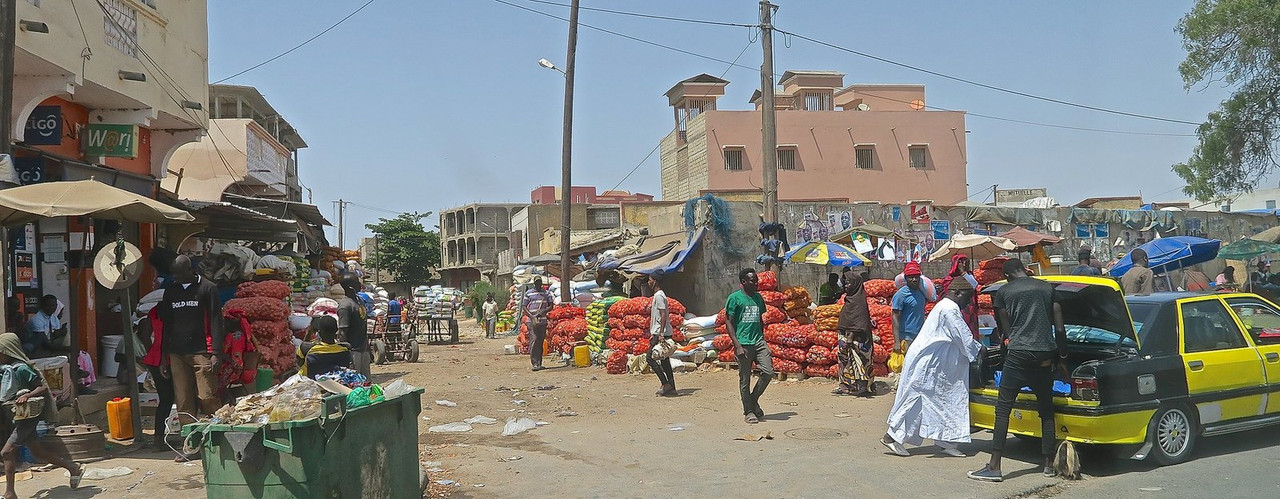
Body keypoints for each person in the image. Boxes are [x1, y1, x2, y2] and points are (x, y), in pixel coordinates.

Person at [969, 259, 1067, 483]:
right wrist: (1062, 359)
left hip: (1019, 354)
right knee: (1046, 409)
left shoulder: (1004, 292)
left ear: (1007, 275)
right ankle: (1048, 464)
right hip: (1045, 355)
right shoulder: (1047, 288)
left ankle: (994, 467)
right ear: (1024, 270)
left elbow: (1006, 331)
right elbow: (1060, 329)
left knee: (1003, 409)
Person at [882, 277, 983, 458]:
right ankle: (892, 436)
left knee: (944, 401)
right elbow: (962, 336)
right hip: (928, 363)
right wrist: (979, 349)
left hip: (939, 364)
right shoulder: (949, 309)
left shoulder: (945, 307)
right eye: (967, 298)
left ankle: (948, 441)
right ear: (957, 293)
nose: (967, 303)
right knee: (916, 400)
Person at [0, 333, 83, 496]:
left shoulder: (21, 368)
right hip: (18, 415)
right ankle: (73, 467)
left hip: (28, 415)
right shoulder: (5, 371)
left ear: (8, 351)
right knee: (37, 451)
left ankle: (10, 493)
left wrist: (27, 395)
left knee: (6, 452)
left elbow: (43, 387)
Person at [158, 255, 225, 427]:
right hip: (177, 353)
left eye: (179, 274)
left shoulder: (208, 288)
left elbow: (216, 320)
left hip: (202, 352)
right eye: (174, 274)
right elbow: (167, 323)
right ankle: (189, 443)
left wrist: (216, 353)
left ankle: (216, 433)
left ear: (190, 270)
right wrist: (164, 354)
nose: (175, 278)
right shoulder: (171, 291)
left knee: (207, 396)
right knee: (183, 400)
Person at [727, 269, 773, 424]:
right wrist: (737, 345)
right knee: (745, 379)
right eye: (752, 281)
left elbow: (759, 319)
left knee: (768, 371)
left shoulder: (758, 298)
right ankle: (749, 411)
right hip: (743, 343)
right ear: (743, 282)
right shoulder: (734, 298)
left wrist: (763, 339)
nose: (756, 283)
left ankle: (753, 400)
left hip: (758, 341)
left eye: (756, 280)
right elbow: (729, 322)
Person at [834, 269, 874, 396]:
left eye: (848, 283)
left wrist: (850, 337)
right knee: (846, 362)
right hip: (846, 337)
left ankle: (862, 387)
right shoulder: (849, 298)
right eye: (845, 283)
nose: (846, 286)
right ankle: (846, 385)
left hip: (857, 339)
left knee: (859, 362)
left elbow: (858, 321)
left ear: (856, 284)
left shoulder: (858, 300)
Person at [646, 271, 676, 397]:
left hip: (660, 333)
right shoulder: (659, 295)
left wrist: (661, 333)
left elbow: (663, 314)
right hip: (659, 332)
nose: (648, 282)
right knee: (664, 360)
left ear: (655, 282)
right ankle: (672, 387)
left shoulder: (659, 296)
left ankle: (665, 384)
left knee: (650, 358)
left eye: (650, 279)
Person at [939, 255, 980, 340]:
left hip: (970, 312)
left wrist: (964, 273)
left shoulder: (969, 276)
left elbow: (974, 285)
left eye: (966, 261)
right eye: (961, 262)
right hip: (958, 311)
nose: (965, 264)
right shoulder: (949, 279)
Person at [337, 275, 370, 377]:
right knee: (356, 383)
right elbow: (342, 332)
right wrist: (346, 354)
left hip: (363, 349)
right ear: (350, 287)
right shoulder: (345, 306)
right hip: (353, 352)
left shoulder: (359, 300)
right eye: (357, 282)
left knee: (367, 382)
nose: (359, 284)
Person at [892, 262, 929, 350]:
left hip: (920, 335)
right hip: (906, 338)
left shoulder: (922, 293)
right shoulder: (901, 295)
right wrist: (897, 342)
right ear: (905, 278)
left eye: (916, 277)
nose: (914, 279)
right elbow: (895, 317)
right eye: (910, 277)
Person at [523, 278, 554, 371]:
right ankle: (534, 363)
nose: (538, 284)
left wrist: (543, 311)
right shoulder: (529, 293)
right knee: (534, 340)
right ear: (534, 283)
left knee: (540, 341)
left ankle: (539, 363)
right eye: (536, 282)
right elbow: (524, 306)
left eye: (539, 282)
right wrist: (532, 316)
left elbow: (551, 305)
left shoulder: (546, 293)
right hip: (532, 321)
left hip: (542, 320)